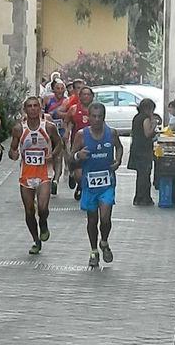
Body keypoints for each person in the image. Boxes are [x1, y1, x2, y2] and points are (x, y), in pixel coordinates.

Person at [72, 102, 123, 267]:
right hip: (89, 184)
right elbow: (70, 157)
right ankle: (94, 250)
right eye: (93, 116)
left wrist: (118, 161)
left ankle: (105, 241)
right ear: (88, 117)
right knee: (92, 220)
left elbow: (120, 147)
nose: (96, 119)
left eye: (99, 116)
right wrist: (78, 156)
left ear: (104, 117)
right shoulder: (81, 135)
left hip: (107, 183)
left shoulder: (112, 133)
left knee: (105, 218)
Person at [9, 96, 61, 255]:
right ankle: (35, 239)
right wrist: (14, 154)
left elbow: (59, 144)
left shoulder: (49, 127)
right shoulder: (19, 128)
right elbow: (12, 150)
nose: (32, 109)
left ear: (40, 108)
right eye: (29, 106)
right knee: (29, 211)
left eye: (35, 106)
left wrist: (52, 154)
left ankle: (43, 223)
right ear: (25, 109)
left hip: (43, 174)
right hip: (26, 175)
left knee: (43, 208)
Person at [63, 85, 94, 198]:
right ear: (79, 96)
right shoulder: (74, 109)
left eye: (88, 94)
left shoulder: (95, 109)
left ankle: (82, 187)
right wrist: (66, 132)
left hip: (92, 143)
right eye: (84, 94)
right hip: (77, 143)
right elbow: (66, 121)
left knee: (89, 168)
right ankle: (76, 178)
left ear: (92, 97)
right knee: (76, 168)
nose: (86, 96)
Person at [127, 98, 156, 206]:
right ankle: (144, 197)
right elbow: (147, 133)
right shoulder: (146, 118)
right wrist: (153, 125)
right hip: (144, 149)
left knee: (141, 174)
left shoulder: (136, 117)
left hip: (136, 148)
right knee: (145, 174)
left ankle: (139, 197)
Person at [43, 80, 67, 195]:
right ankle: (48, 177)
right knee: (49, 156)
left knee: (58, 157)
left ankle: (56, 180)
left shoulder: (67, 102)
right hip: (48, 133)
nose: (60, 91)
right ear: (54, 89)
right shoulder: (47, 99)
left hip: (61, 132)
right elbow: (41, 112)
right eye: (58, 88)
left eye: (62, 89)